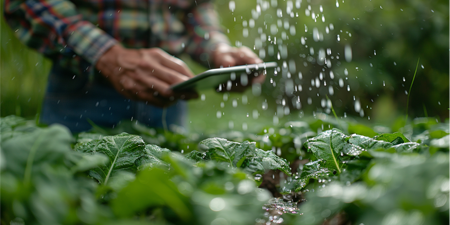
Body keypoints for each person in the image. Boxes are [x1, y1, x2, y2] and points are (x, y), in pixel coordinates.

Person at [4, 0, 264, 133]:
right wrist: (107, 55)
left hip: (169, 96)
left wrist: (218, 50)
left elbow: (195, 8)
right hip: (82, 93)